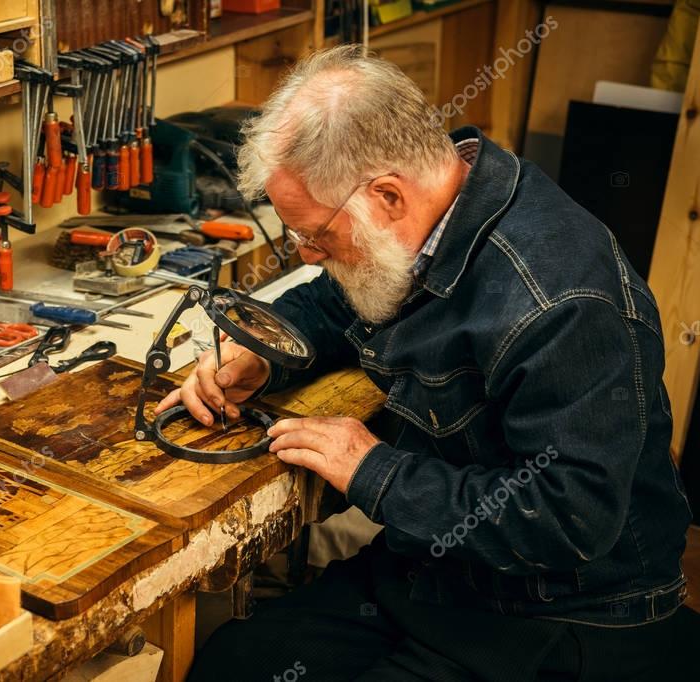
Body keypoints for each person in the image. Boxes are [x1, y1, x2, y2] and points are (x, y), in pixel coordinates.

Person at [156, 45, 698, 681]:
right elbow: (339, 299)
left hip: (565, 608)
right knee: (233, 666)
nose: (306, 255)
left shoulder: (558, 302)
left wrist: (372, 469)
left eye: (319, 237)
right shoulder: (428, 215)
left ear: (386, 195)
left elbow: (566, 516)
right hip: (439, 568)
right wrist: (264, 350)